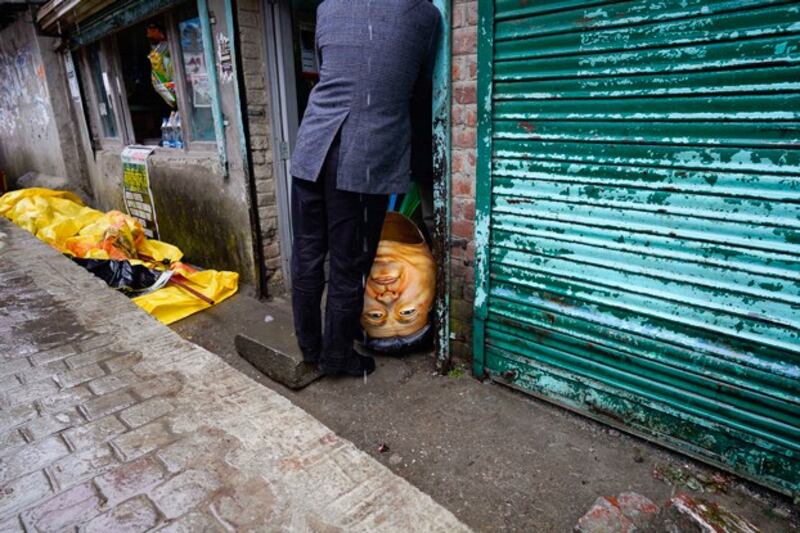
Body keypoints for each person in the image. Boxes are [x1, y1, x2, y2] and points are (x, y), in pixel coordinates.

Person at [289, 0, 440, 377]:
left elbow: (334, 70)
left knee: (307, 252)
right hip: (365, 155)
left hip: (312, 148)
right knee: (348, 264)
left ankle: (310, 349)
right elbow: (421, 92)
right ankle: (337, 357)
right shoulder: (425, 15)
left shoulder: (327, 7)